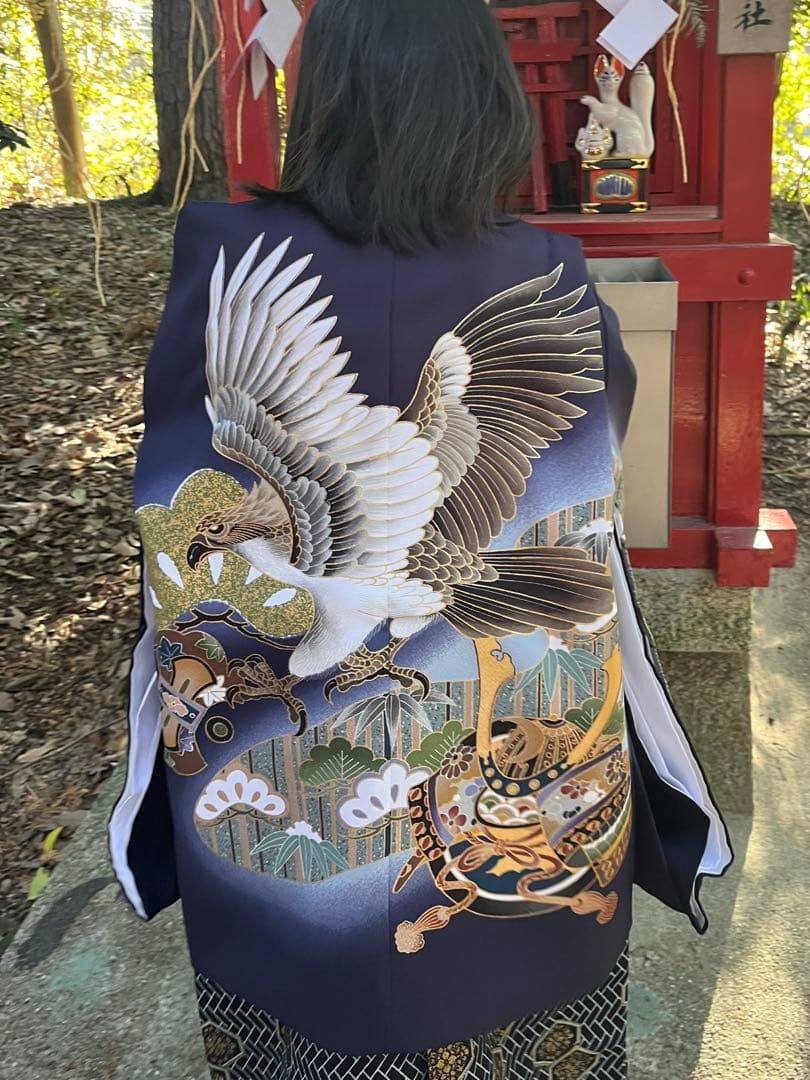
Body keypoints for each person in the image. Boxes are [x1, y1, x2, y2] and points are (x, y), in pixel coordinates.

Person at [109, 1, 732, 1076]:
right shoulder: (545, 269)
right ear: (483, 108)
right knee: (528, 986)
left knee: (293, 1002)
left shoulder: (222, 263)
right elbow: (597, 451)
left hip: (306, 816)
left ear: (323, 100)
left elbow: (171, 485)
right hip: (470, 678)